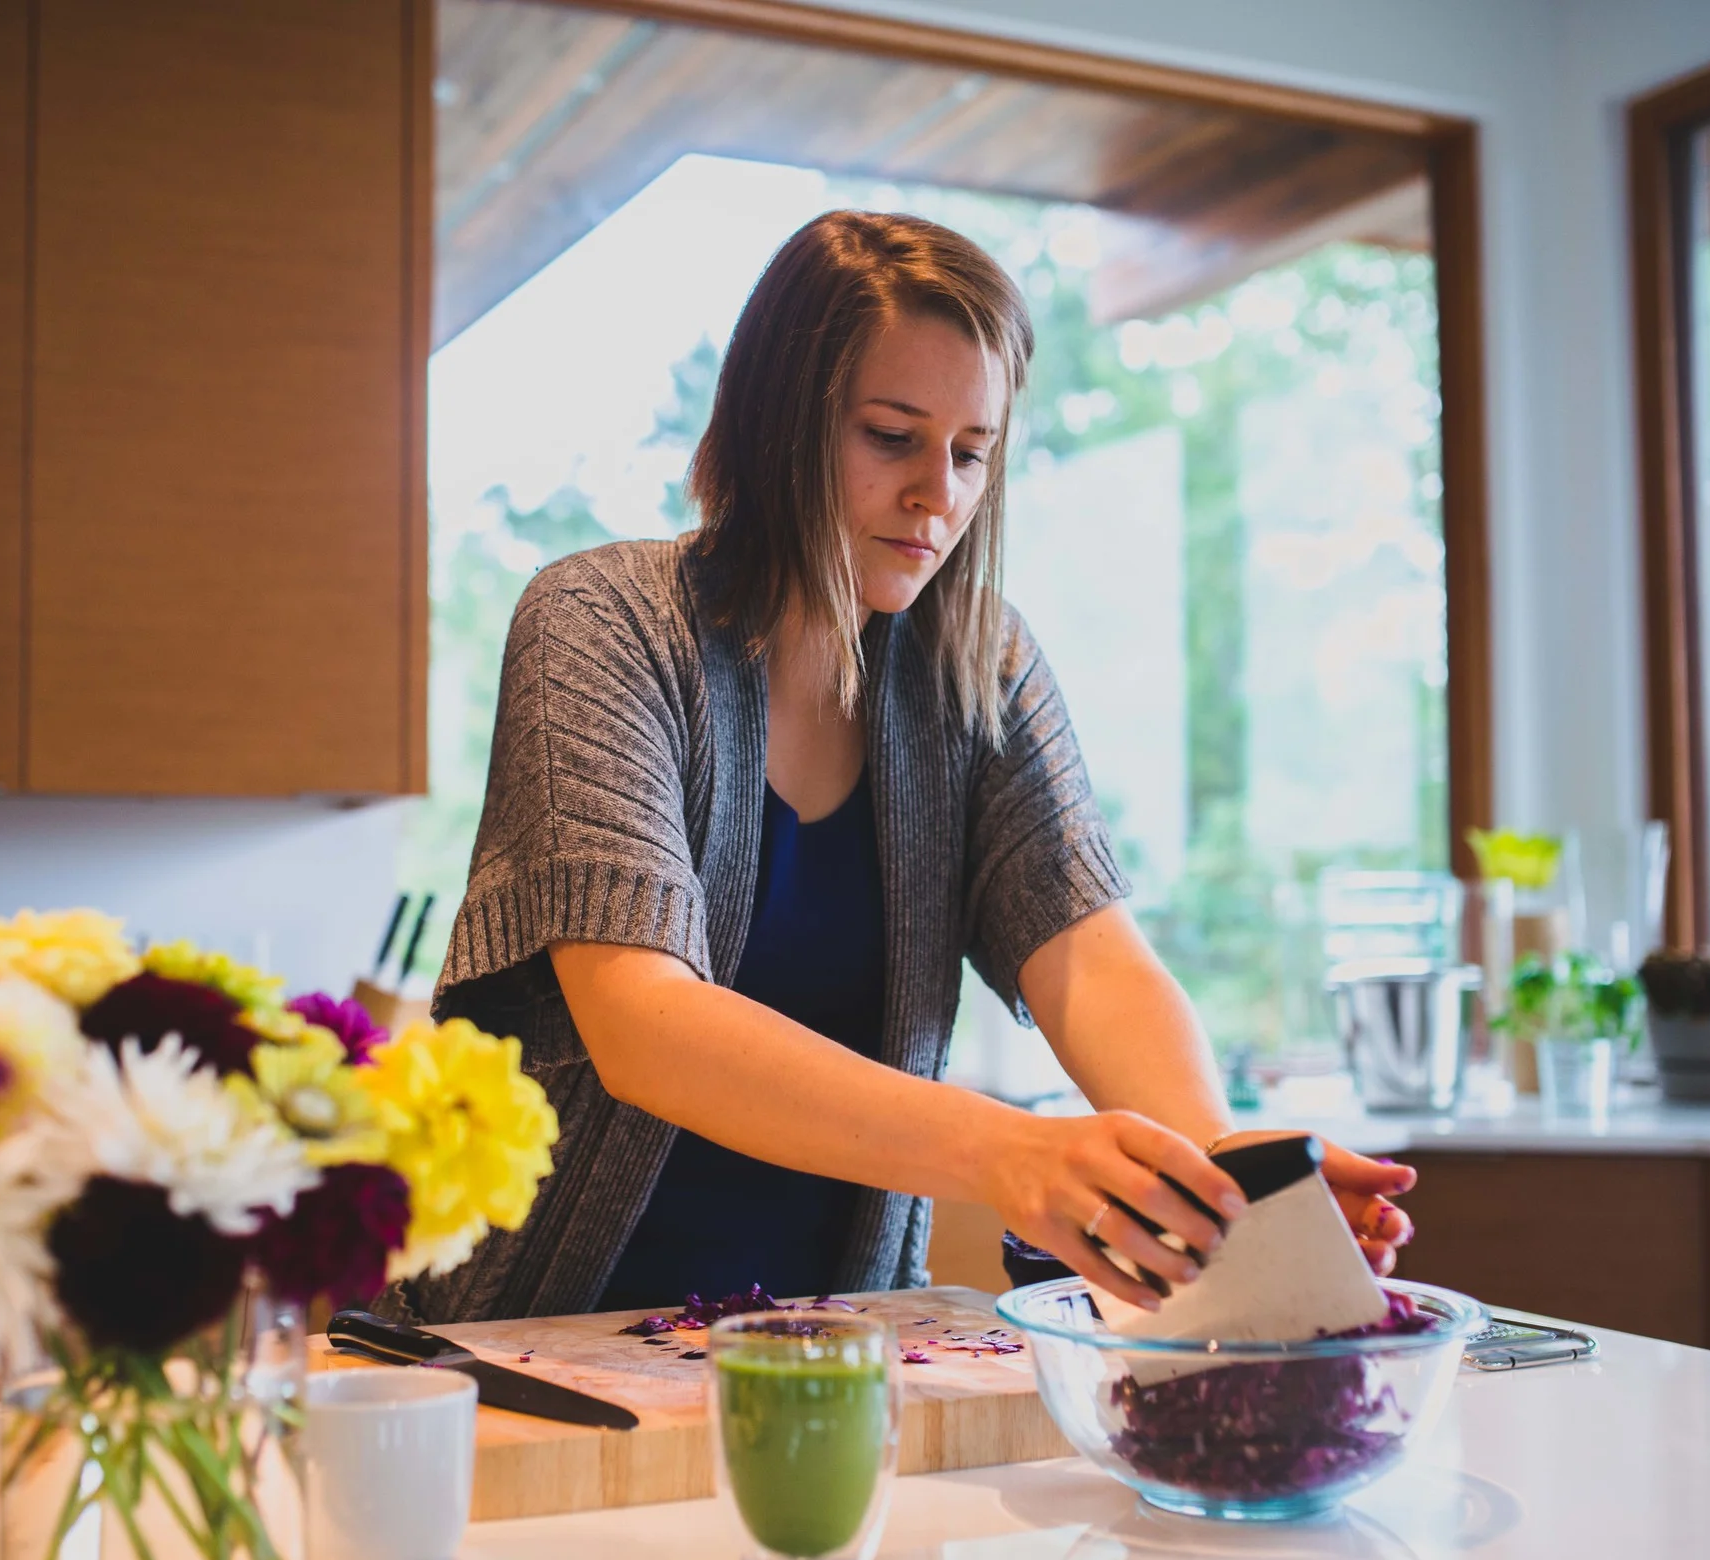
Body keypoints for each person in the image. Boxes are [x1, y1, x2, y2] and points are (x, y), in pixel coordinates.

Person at [410, 209, 1415, 1323]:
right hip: (544, 1342)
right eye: (892, 436)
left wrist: (1224, 1166)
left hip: (838, 1357)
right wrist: (1007, 1152)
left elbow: (1090, 958)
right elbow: (645, 1023)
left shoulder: (978, 664)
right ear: (773, 428)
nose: (939, 492)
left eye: (972, 452)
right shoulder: (600, 624)